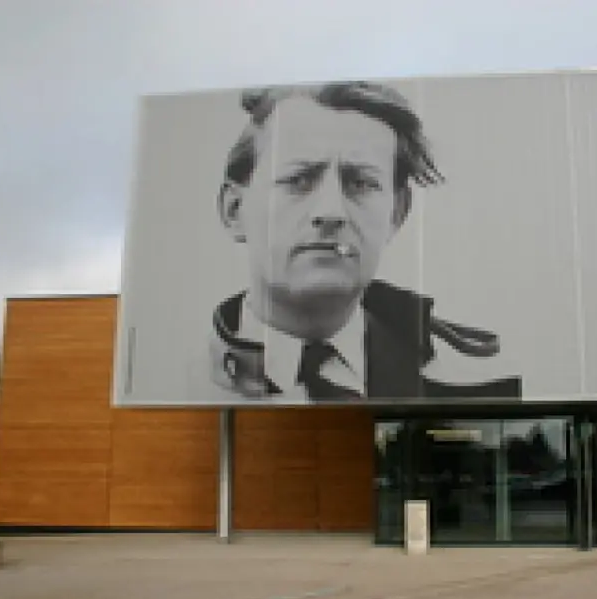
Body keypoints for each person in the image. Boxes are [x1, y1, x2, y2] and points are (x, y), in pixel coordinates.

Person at [205, 80, 521, 403]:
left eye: (360, 183)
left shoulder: (472, 381)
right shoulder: (183, 384)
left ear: (397, 213)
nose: (331, 212)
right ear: (234, 210)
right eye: (298, 180)